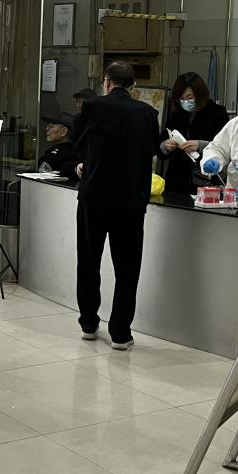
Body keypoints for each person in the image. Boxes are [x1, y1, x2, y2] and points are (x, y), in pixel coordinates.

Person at [74, 61, 159, 350]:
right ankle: (121, 332)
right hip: (130, 201)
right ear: (133, 86)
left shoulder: (92, 106)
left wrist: (89, 161)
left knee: (88, 261)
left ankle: (88, 323)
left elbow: (78, 142)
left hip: (94, 197)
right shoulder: (148, 113)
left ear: (107, 81)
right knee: (127, 268)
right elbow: (153, 150)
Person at [159, 72, 229, 194]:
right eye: (181, 99)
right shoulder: (176, 114)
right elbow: (162, 140)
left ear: (200, 94)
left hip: (205, 178)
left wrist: (200, 145)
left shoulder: (217, 114)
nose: (185, 102)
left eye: (189, 97)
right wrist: (166, 146)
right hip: (177, 179)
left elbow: (225, 147)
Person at [38, 113, 80, 181]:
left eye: (51, 126)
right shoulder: (71, 150)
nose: (47, 128)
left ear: (64, 131)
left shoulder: (62, 153)